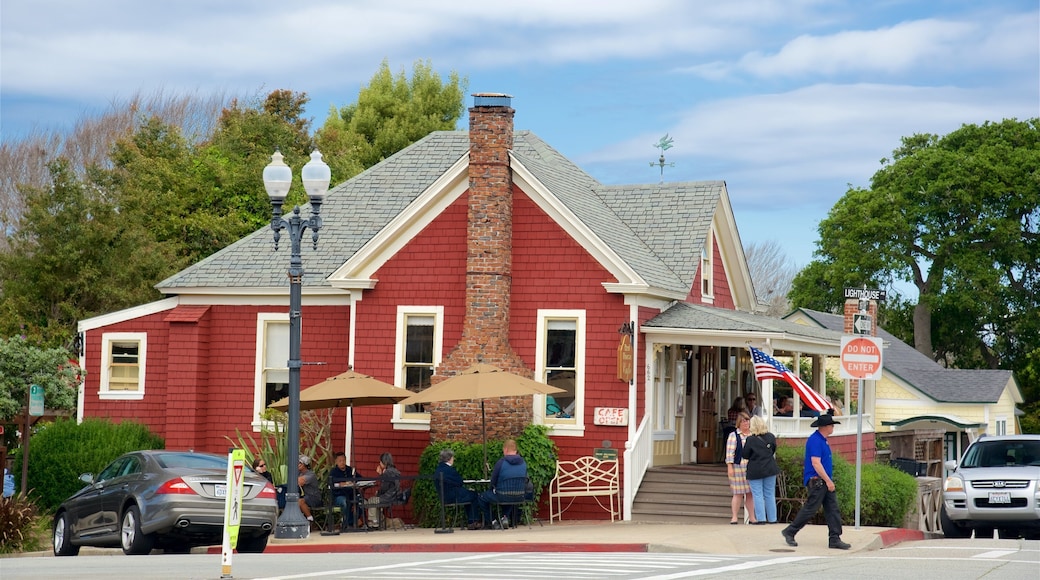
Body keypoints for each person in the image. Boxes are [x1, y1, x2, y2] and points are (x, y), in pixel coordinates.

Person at [782, 411, 851, 550]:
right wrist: (828, 480)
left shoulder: (822, 440)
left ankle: (835, 538)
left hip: (824, 481)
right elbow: (816, 463)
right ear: (825, 426)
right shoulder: (815, 440)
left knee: (832, 509)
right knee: (810, 509)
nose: (833, 428)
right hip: (817, 481)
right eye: (832, 425)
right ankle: (790, 531)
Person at [478, 439, 528, 528]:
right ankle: (504, 517)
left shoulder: (501, 463)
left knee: (482, 497)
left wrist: (491, 489)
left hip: (502, 495)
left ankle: (493, 521)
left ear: (505, 449)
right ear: (516, 450)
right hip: (519, 495)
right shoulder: (523, 463)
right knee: (510, 495)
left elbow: (494, 480)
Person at [742, 415, 780, 524]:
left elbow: (745, 455)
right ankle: (773, 519)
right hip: (770, 467)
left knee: (757, 494)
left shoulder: (750, 439)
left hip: (755, 469)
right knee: (769, 494)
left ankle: (761, 519)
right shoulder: (771, 437)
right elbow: (773, 450)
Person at [434, 448, 481, 529]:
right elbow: (460, 481)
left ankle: (472, 521)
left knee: (469, 495)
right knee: (474, 495)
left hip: (444, 497)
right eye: (453, 457)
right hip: (454, 496)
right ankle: (473, 521)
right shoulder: (450, 470)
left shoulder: (437, 470)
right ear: (449, 458)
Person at [725, 412, 757, 524]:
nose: (746, 423)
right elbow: (729, 453)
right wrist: (730, 467)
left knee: (750, 493)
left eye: (747, 420)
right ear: (739, 423)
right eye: (743, 421)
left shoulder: (753, 435)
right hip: (738, 467)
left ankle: (752, 517)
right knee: (738, 493)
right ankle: (734, 517)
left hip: (751, 467)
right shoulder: (734, 435)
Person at [365, 452, 401, 529]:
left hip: (388, 497)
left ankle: (373, 522)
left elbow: (384, 488)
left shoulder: (387, 473)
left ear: (383, 462)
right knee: (375, 499)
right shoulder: (395, 471)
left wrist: (380, 474)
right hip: (394, 496)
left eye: (380, 462)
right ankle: (377, 521)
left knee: (372, 500)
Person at [329, 451, 361, 531]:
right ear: (336, 461)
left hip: (351, 494)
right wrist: (340, 484)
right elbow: (330, 485)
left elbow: (360, 478)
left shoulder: (350, 470)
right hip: (339, 495)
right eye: (340, 461)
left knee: (360, 501)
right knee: (344, 502)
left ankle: (352, 522)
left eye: (343, 460)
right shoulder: (333, 472)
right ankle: (346, 524)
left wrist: (355, 482)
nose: (342, 462)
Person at [296, 454, 322, 528]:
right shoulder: (298, 473)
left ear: (305, 464)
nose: (297, 464)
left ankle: (310, 519)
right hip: (305, 497)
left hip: (314, 497)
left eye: (300, 463)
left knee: (300, 501)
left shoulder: (311, 474)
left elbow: (300, 481)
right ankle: (300, 521)